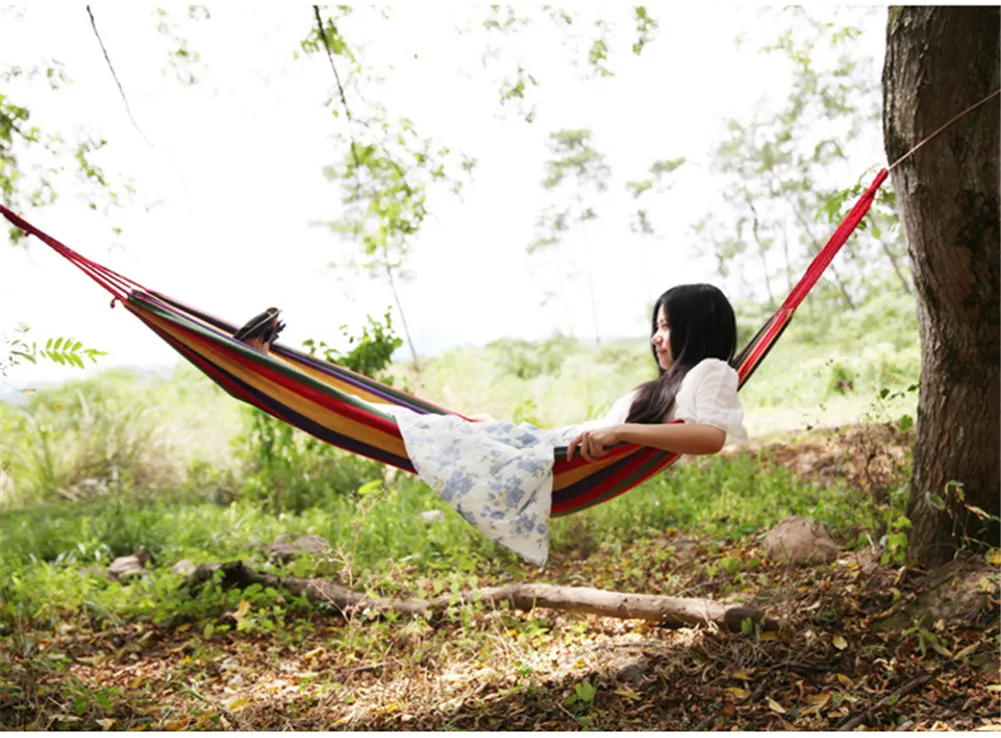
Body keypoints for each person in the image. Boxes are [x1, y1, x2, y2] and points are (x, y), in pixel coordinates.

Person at [565, 283, 748, 461]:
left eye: (665, 326)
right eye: (657, 327)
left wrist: (620, 432)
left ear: (695, 331)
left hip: (572, 452)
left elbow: (711, 437)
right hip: (569, 445)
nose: (655, 338)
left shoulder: (712, 370)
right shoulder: (676, 382)